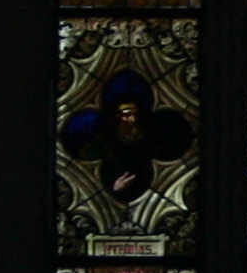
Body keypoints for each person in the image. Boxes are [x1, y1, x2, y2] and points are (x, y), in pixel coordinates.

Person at [62, 69, 195, 208]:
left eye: (135, 114)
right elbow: (86, 164)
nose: (132, 120)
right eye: (126, 115)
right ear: (117, 117)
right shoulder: (103, 142)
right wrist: (115, 187)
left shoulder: (152, 140)